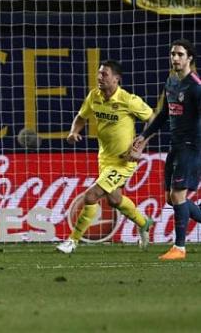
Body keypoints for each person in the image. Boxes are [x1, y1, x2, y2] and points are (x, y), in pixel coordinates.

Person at [56, 60, 154, 254]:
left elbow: (152, 119)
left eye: (105, 74)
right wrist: (73, 132)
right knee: (115, 200)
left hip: (124, 161)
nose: (100, 77)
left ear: (116, 79)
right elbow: (82, 117)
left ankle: (72, 242)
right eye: (99, 73)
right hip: (104, 158)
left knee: (90, 196)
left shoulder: (128, 100)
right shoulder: (94, 96)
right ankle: (144, 224)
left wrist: (140, 144)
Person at [133, 39, 201, 261]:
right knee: (171, 199)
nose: (175, 58)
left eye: (180, 54)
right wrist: (143, 137)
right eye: (173, 54)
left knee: (178, 195)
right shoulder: (171, 82)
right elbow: (163, 115)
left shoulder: (196, 87)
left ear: (189, 58)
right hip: (175, 145)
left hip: (192, 147)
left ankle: (179, 248)